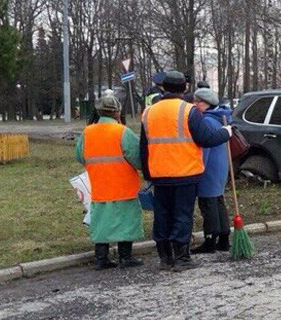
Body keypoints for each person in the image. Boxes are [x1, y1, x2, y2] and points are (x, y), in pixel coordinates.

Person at [140, 71, 232, 272]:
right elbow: (206, 139)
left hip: (159, 174)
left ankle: (165, 258)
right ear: (185, 88)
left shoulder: (149, 112)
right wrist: (226, 133)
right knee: (183, 215)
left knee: (162, 215)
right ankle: (182, 257)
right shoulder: (189, 111)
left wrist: (148, 174)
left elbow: (143, 147)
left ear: (163, 87)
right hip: (185, 174)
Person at [75, 94, 144, 270]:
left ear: (99, 111)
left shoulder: (87, 132)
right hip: (123, 185)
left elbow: (80, 156)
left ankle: (101, 258)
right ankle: (125, 257)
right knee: (126, 221)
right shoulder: (122, 132)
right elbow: (137, 158)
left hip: (99, 184)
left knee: (101, 222)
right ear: (117, 112)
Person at [192, 88, 233, 254]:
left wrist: (198, 170)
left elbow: (205, 148)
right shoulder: (220, 118)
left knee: (208, 203)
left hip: (209, 169)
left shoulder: (207, 121)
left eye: (197, 102)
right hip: (220, 166)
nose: (194, 105)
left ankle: (210, 239)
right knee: (218, 201)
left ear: (205, 103)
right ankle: (224, 238)